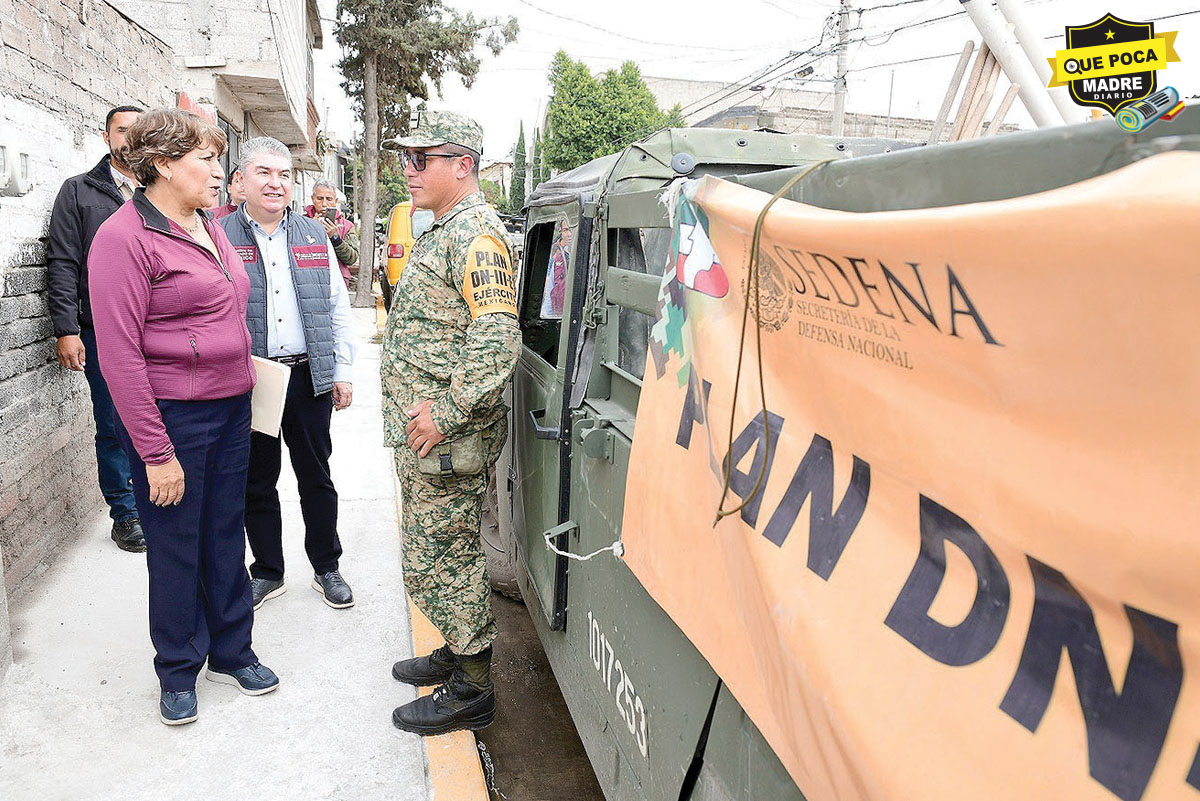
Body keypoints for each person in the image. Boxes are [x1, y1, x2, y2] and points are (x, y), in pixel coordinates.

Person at [88, 108, 279, 726]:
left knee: (224, 530)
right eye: (205, 159)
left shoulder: (208, 226)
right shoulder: (122, 239)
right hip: (173, 416)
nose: (218, 173)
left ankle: (231, 649)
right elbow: (118, 357)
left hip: (229, 409)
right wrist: (154, 451)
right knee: (175, 543)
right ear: (165, 164)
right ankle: (177, 667)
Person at [382, 111, 520, 736]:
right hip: (426, 435)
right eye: (405, 158)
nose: (407, 169)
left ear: (462, 165)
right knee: (428, 552)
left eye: (422, 158)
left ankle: (473, 687)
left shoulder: (477, 237)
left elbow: (497, 342)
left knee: (447, 555)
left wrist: (445, 412)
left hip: (448, 435)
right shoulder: (442, 228)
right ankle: (455, 649)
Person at [218, 137, 357, 612]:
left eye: (283, 174)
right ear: (239, 181)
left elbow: (336, 305)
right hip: (252, 377)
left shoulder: (314, 235)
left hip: (306, 376)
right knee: (257, 479)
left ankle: (326, 566)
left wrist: (341, 370)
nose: (275, 183)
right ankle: (268, 571)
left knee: (316, 475)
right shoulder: (219, 236)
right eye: (263, 173)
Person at [46, 105, 147, 553]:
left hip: (155, 329)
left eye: (138, 131)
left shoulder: (158, 190)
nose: (129, 138)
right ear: (106, 137)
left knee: (159, 417)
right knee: (113, 422)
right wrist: (67, 328)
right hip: (102, 330)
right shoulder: (79, 192)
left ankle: (155, 498)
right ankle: (125, 513)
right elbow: (63, 262)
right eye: (122, 130)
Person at [304, 179, 358, 287]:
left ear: (335, 201)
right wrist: (310, 230)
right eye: (320, 198)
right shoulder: (301, 223)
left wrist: (335, 238)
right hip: (308, 280)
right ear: (312, 199)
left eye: (329, 199)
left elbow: (351, 259)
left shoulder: (346, 226)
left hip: (337, 282)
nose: (324, 204)